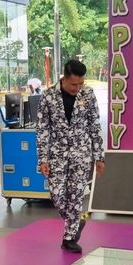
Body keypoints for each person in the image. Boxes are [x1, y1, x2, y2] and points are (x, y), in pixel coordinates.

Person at [36, 59, 105, 253]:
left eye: (81, 83)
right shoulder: (48, 96)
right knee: (57, 195)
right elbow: (42, 130)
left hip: (81, 154)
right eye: (74, 84)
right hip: (57, 153)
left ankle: (69, 236)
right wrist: (43, 159)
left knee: (75, 196)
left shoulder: (88, 94)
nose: (78, 87)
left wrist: (99, 156)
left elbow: (94, 125)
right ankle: (74, 222)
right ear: (64, 79)